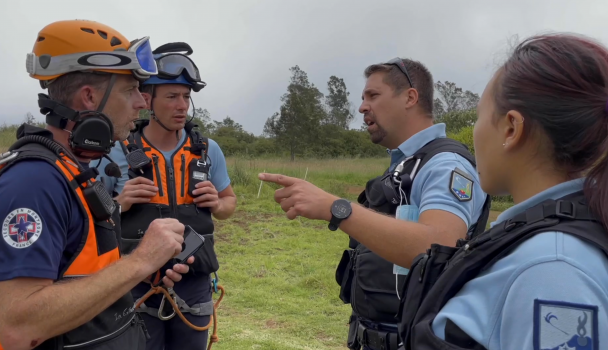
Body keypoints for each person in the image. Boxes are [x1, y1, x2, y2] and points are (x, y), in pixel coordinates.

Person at [0, 20, 195, 350]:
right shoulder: (33, 182)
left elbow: (75, 271)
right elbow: (18, 326)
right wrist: (140, 260)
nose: (141, 103)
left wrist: (143, 269)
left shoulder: (75, 170)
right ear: (89, 97)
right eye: (130, 91)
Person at [393, 33, 608, 350]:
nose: (475, 134)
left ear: (511, 129)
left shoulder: (551, 269)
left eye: (480, 116)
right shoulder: (540, 239)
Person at [260, 58, 491, 350]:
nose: (362, 107)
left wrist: (336, 209)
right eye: (362, 98)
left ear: (410, 97)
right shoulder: (405, 166)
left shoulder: (445, 165)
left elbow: (440, 247)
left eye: (373, 96)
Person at [100, 41, 237, 350]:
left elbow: (229, 205)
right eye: (172, 96)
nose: (182, 106)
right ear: (147, 99)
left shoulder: (207, 150)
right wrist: (120, 203)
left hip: (195, 285)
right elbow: (91, 220)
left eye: (186, 97)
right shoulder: (116, 151)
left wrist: (217, 203)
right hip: (136, 286)